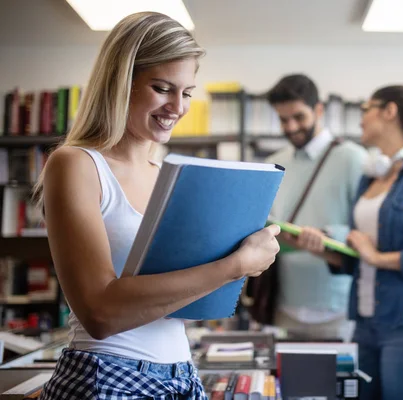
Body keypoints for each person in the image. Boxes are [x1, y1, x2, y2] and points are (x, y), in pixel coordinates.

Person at [34, 12, 280, 399]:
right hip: (107, 374)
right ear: (121, 83)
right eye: (162, 88)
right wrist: (234, 266)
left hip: (181, 372)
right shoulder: (77, 164)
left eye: (186, 93)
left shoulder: (169, 175)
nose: (177, 107)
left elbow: (180, 293)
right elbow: (100, 313)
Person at [292, 85, 403, 399]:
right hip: (366, 323)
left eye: (366, 109)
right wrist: (322, 249)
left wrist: (378, 258)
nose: (360, 119)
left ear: (389, 111)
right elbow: (360, 255)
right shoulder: (372, 175)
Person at [263, 74, 367, 341]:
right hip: (284, 302)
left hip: (336, 306)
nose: (291, 127)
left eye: (299, 117)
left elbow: (368, 229)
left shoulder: (354, 159)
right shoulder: (275, 162)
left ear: (319, 110)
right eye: (283, 119)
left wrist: (328, 236)